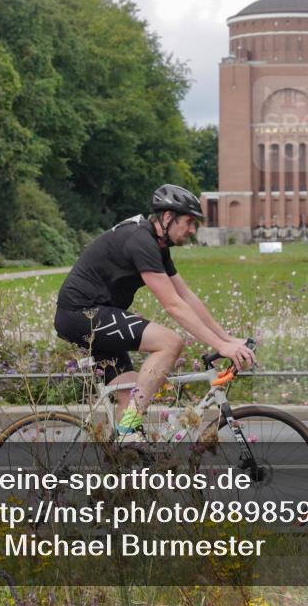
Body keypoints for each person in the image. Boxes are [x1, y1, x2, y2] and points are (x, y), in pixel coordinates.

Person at [53, 184, 255, 441]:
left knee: (132, 396)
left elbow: (186, 296)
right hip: (81, 314)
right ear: (168, 217)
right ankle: (127, 431)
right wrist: (220, 345)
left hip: (97, 314)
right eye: (189, 222)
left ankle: (123, 463)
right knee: (170, 342)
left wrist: (226, 339)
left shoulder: (158, 245)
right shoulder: (141, 241)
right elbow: (173, 305)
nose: (192, 230)